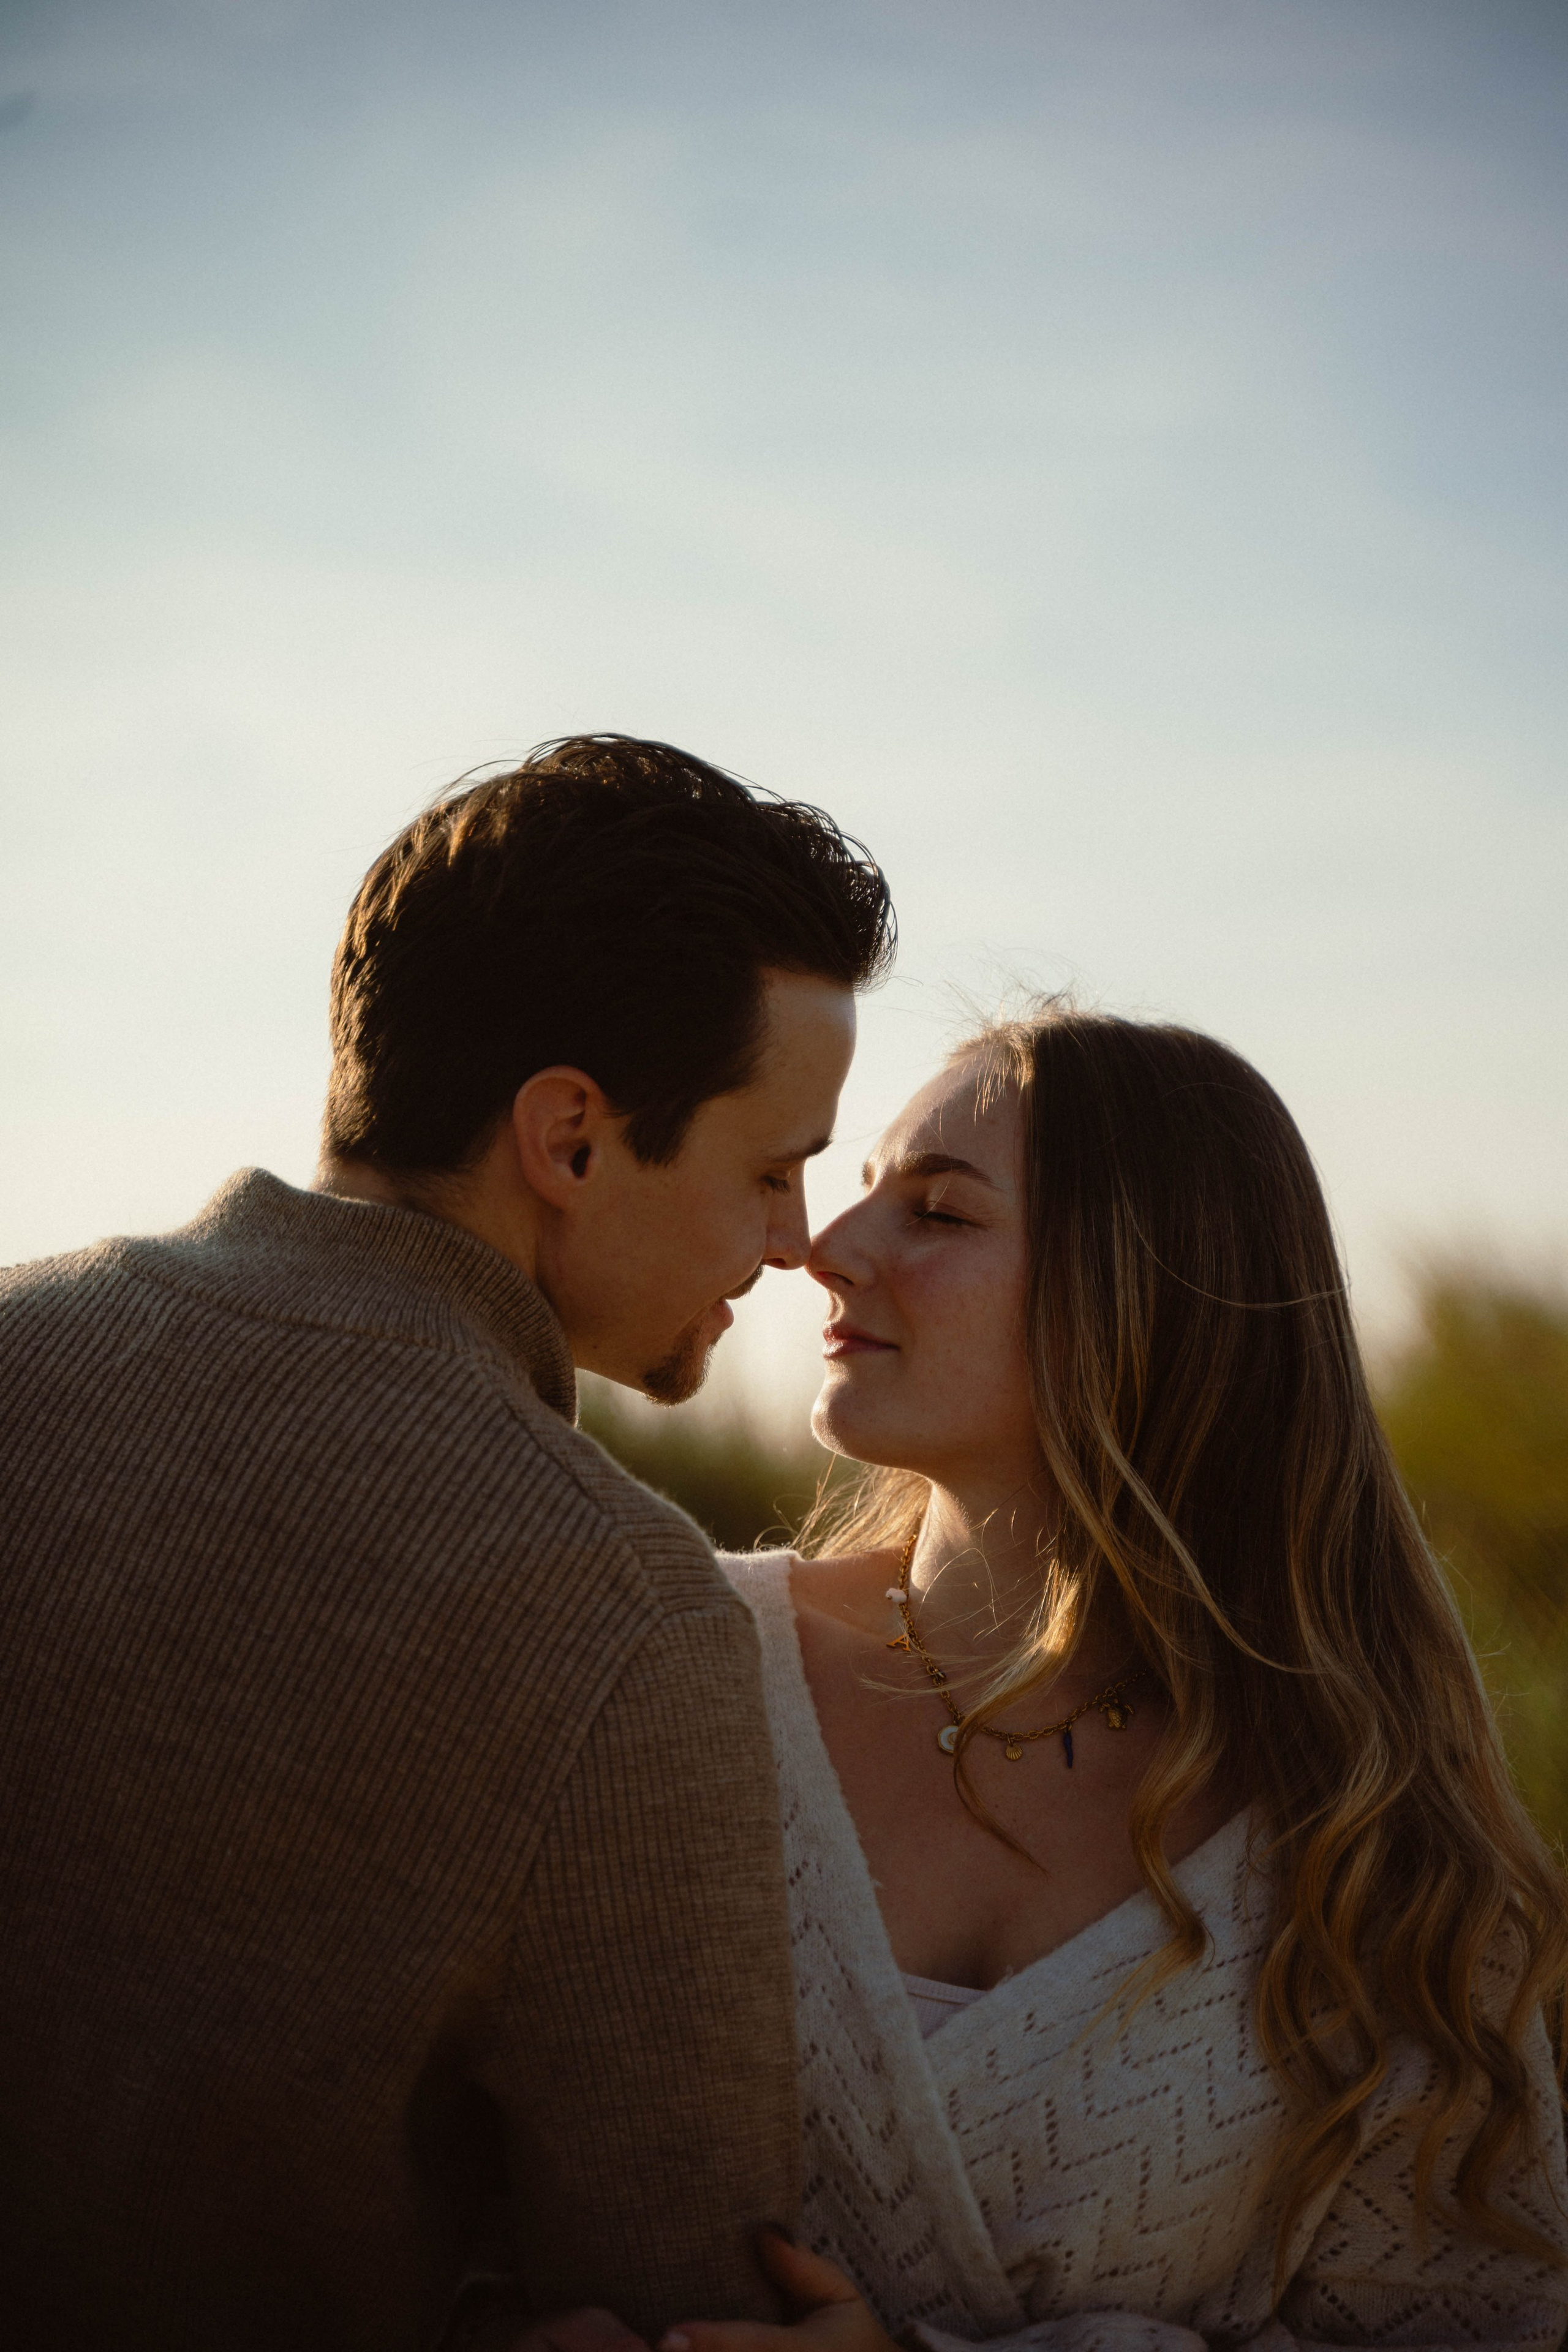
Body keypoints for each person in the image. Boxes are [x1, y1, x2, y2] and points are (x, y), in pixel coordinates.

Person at [0, 735, 894, 2352]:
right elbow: (683, 2297)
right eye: (772, 1169)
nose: (794, 1243)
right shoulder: (618, 1609)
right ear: (571, 1139)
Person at [676, 1006, 1568, 2352]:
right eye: (865, 1195)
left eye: (938, 1213)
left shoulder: (1355, 1820)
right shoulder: (683, 1671)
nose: (826, 1251)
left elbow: (1475, 2324)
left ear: (1141, 1288)